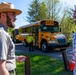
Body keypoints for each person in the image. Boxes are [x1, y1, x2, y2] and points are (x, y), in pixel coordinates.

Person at [0, 2, 26, 75]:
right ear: (3, 15)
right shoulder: (2, 34)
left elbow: (3, 55)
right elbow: (1, 68)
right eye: (12, 14)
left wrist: (15, 58)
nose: (15, 18)